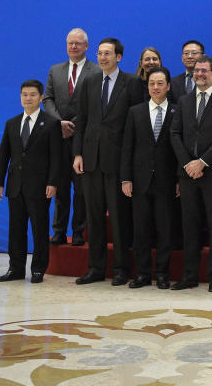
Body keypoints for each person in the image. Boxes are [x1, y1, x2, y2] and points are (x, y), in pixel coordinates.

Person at [72, 37, 141, 286]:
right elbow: (82, 120)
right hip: (91, 160)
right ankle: (96, 268)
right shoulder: (89, 82)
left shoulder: (132, 83)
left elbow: (136, 125)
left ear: (119, 57)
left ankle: (122, 269)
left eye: (107, 54)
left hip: (118, 161)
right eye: (100, 53)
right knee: (94, 217)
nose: (102, 58)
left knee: (120, 218)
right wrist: (78, 154)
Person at [169, 56, 212, 292]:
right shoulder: (184, 100)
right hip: (187, 173)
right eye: (197, 70)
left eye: (204, 71)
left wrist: (203, 162)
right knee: (190, 225)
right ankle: (189, 276)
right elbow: (175, 133)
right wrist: (188, 163)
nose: (200, 74)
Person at [0, 80, 60, 283]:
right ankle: (16, 268)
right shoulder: (12, 123)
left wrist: (52, 182)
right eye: (24, 94)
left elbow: (56, 157)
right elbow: (4, 155)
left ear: (41, 98)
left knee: (39, 229)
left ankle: (39, 268)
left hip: (40, 186)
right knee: (16, 229)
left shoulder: (50, 123)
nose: (28, 98)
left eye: (32, 94)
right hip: (15, 186)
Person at [120, 67, 178, 289]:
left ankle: (162, 273)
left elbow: (179, 149)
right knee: (141, 230)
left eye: (160, 83)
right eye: (152, 83)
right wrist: (126, 178)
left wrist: (179, 180)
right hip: (139, 181)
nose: (156, 87)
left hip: (166, 181)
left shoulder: (176, 111)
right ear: (147, 85)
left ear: (168, 86)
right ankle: (143, 274)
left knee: (165, 230)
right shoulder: (135, 112)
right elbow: (127, 148)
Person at [43, 28, 93, 248]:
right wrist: (59, 123)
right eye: (70, 43)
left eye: (78, 43)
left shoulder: (96, 70)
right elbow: (48, 99)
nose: (73, 47)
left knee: (81, 189)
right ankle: (59, 231)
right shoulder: (55, 70)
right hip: (59, 137)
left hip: (84, 138)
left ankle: (79, 231)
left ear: (86, 46)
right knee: (60, 187)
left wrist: (76, 125)